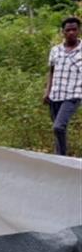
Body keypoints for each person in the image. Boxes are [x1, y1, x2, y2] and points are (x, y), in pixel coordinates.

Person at [44, 16, 81, 156]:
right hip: (55, 94)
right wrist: (47, 91)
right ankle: (59, 159)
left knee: (58, 127)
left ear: (79, 31)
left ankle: (63, 157)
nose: (71, 32)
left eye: (74, 29)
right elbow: (52, 71)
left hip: (73, 94)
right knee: (59, 130)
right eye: (68, 30)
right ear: (63, 32)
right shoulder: (55, 50)